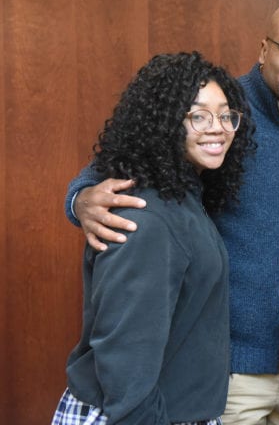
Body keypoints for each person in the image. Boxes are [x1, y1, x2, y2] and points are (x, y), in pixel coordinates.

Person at [63, 1, 279, 424]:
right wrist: (81, 199)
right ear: (263, 50)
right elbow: (120, 166)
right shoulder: (217, 111)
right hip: (226, 372)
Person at [52, 51, 254, 424]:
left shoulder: (184, 198)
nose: (218, 127)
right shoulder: (148, 218)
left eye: (226, 115)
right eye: (198, 115)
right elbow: (126, 356)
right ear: (162, 122)